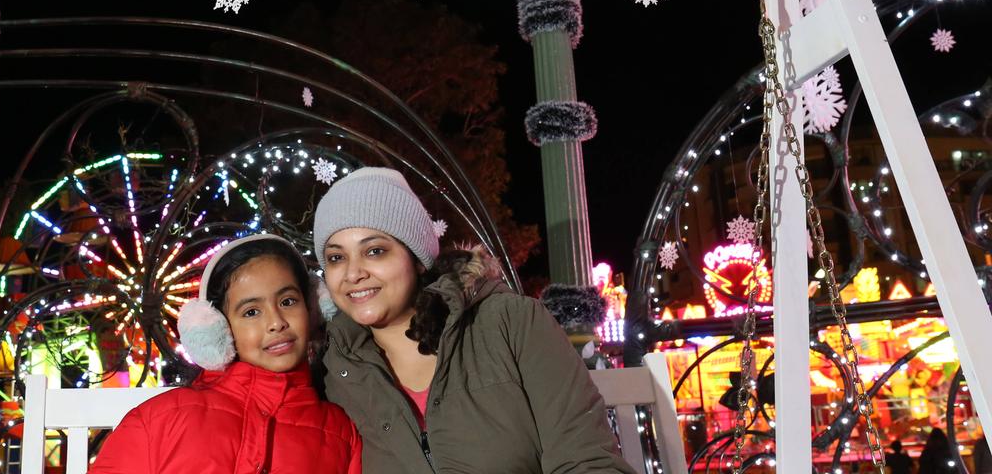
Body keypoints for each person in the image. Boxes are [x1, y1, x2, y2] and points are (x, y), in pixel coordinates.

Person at [314, 167, 635, 474]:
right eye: (336, 258)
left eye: (374, 251)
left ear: (417, 259)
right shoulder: (333, 368)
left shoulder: (512, 323)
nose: (353, 273)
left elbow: (588, 460)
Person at [91, 234, 361, 473]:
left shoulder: (341, 434)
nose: (276, 322)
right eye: (251, 312)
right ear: (218, 328)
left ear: (313, 309)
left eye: (288, 301)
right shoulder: (160, 419)